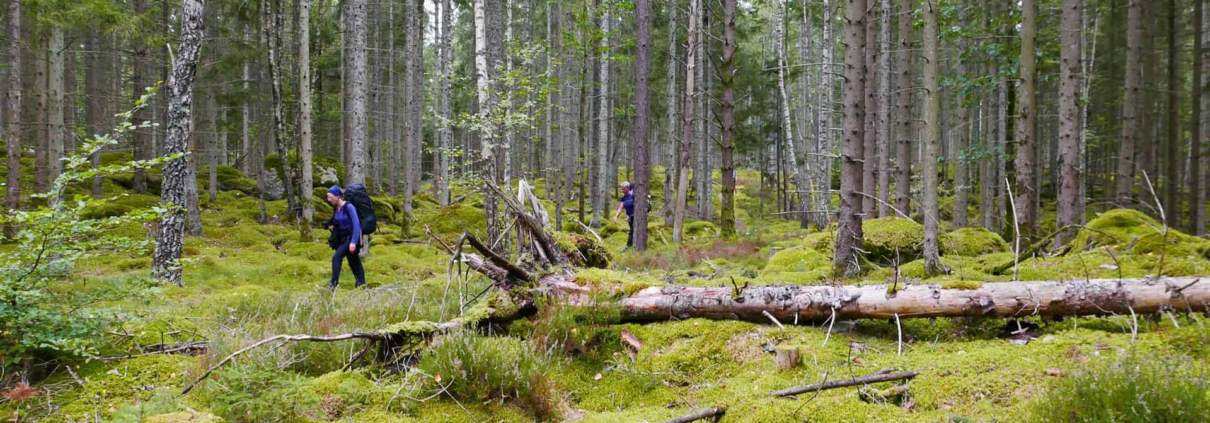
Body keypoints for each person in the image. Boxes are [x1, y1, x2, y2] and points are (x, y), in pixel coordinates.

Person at [324, 186, 366, 289]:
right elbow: (337, 222)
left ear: (338, 196)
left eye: (330, 197)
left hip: (351, 237)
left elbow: (356, 225)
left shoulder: (349, 207)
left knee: (336, 257)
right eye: (327, 197)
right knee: (353, 261)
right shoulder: (336, 208)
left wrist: (353, 242)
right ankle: (361, 283)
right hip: (342, 238)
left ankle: (333, 284)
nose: (328, 200)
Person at [612, 181, 636, 250]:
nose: (621, 190)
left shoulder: (633, 195)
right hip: (630, 218)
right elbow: (620, 208)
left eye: (623, 188)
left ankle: (629, 246)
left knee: (632, 231)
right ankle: (630, 246)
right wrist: (616, 216)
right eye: (621, 188)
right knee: (632, 231)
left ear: (628, 188)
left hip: (636, 217)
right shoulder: (624, 198)